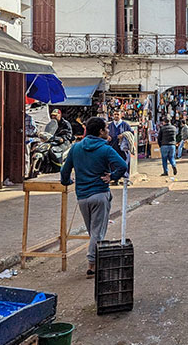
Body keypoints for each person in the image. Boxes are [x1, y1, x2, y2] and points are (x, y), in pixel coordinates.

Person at [60, 117, 127, 278]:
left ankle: (94, 260)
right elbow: (123, 166)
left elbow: (64, 172)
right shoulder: (106, 149)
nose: (108, 131)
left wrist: (68, 182)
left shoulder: (75, 148)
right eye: (106, 128)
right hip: (100, 195)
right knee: (97, 232)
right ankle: (92, 264)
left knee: (93, 231)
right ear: (100, 132)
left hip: (82, 197)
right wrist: (112, 176)